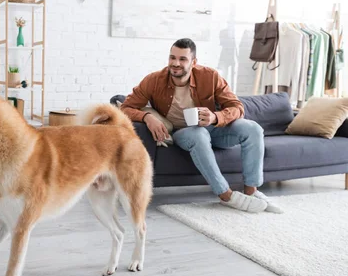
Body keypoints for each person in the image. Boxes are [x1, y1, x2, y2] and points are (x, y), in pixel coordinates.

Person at [120, 38, 282, 214]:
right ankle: (225, 195)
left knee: (253, 129)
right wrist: (146, 117)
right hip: (184, 133)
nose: (175, 63)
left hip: (214, 128)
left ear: (194, 62)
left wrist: (215, 117)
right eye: (172, 58)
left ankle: (251, 192)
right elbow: (125, 107)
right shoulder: (153, 80)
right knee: (198, 134)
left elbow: (237, 107)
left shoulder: (210, 76)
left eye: (182, 59)